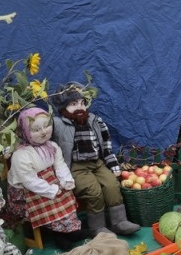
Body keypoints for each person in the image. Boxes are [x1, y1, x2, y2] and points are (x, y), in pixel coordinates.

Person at [50, 83, 140, 236]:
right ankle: (97, 227)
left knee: (112, 184)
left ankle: (119, 221)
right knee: (93, 190)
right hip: (76, 166)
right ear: (63, 107)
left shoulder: (95, 121)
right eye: (73, 104)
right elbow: (41, 136)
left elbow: (106, 146)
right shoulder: (57, 124)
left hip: (97, 163)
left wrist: (112, 165)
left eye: (81, 103)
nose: (79, 107)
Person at [7, 107, 93, 250]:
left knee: (67, 194)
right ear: (26, 132)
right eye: (36, 130)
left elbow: (60, 165)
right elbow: (29, 181)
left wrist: (66, 180)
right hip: (26, 191)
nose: (43, 132)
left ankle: (71, 231)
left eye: (46, 126)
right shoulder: (21, 155)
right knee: (52, 200)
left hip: (48, 181)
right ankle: (58, 234)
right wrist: (51, 190)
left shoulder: (52, 146)